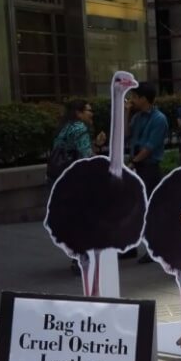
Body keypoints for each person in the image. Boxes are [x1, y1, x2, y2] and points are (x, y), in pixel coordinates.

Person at [50, 100, 107, 275]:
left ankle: (77, 257)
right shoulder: (79, 129)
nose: (92, 114)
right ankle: (83, 258)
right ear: (79, 113)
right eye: (89, 110)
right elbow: (86, 157)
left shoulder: (64, 128)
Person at [123, 82, 169, 263]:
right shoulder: (138, 117)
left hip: (148, 167)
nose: (132, 100)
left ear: (143, 98)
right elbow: (126, 134)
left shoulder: (159, 119)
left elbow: (150, 146)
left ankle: (154, 248)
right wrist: (126, 112)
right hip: (136, 165)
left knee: (148, 208)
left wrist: (134, 161)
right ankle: (130, 246)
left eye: (134, 97)